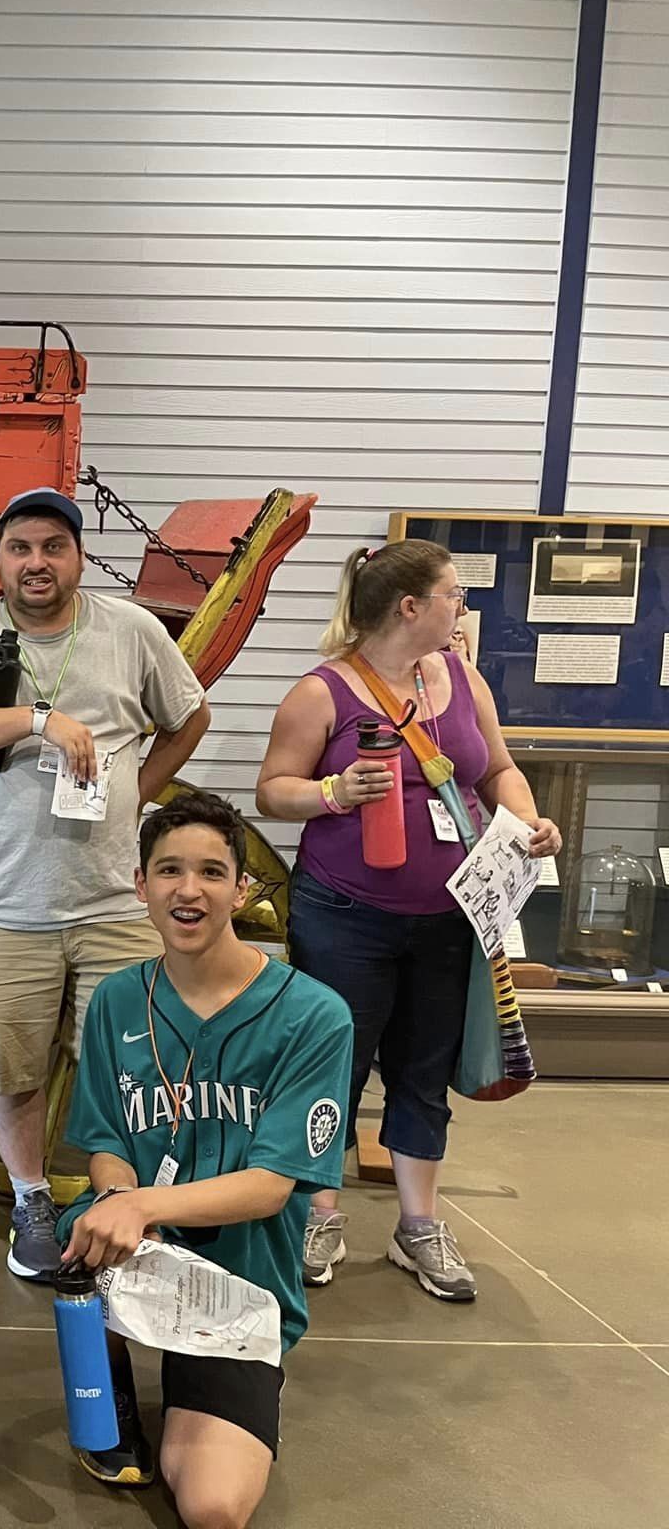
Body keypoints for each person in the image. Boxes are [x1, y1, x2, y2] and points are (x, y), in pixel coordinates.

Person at [0, 487, 212, 1279]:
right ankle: (31, 1196)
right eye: (20, 548)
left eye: (53, 546)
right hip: (3, 902)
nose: (36, 562)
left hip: (113, 900)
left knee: (136, 1067)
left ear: (77, 555)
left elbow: (190, 715)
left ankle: (124, 1200)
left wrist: (138, 789)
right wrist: (39, 722)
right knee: (9, 1064)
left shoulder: (131, 630)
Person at [255, 541, 560, 1301]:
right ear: (410, 607)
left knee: (424, 1072)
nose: (464, 607)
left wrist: (527, 820)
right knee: (336, 1067)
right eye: (454, 593)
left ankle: (417, 1225)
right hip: (346, 918)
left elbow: (496, 769)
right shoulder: (321, 694)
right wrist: (332, 793)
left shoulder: (461, 678)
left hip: (450, 917)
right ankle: (317, 1215)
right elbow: (272, 791)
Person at [56, 792, 354, 1528]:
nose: (189, 891)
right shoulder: (119, 1000)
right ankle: (111, 1374)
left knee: (210, 1504)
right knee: (70, 1240)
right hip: (142, 1256)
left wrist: (141, 1205)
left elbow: (270, 1186)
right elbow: (106, 1141)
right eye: (169, 871)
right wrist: (121, 1199)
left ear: (242, 889)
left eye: (212, 873)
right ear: (141, 886)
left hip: (239, 1281)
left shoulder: (315, 1015)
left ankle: (233, 1380)